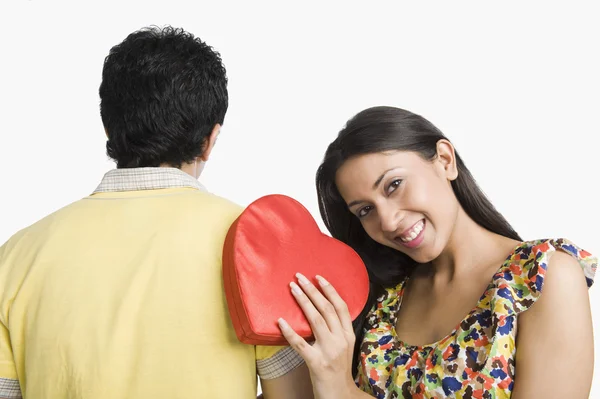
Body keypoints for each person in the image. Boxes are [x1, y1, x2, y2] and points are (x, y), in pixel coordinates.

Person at [0, 26, 312, 399]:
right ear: (210, 140)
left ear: (108, 129)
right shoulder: (258, 244)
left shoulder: (15, 256)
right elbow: (293, 396)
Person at [277, 106, 596, 398]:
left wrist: (344, 392)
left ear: (445, 160)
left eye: (394, 184)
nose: (387, 221)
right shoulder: (382, 302)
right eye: (364, 211)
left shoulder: (541, 277)